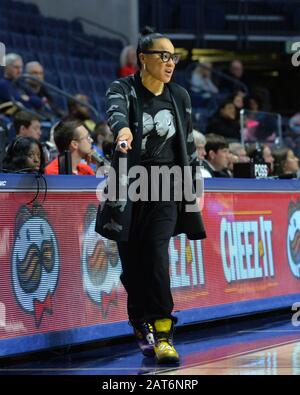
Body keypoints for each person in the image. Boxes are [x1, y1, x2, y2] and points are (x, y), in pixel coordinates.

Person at [95, 27, 206, 364]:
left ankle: (163, 333)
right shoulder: (123, 89)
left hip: (167, 185)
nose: (170, 62)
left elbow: (186, 144)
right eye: (163, 55)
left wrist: (195, 186)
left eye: (173, 56)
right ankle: (138, 322)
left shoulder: (180, 96)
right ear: (143, 59)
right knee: (133, 265)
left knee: (156, 256)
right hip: (129, 186)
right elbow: (115, 112)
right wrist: (122, 130)